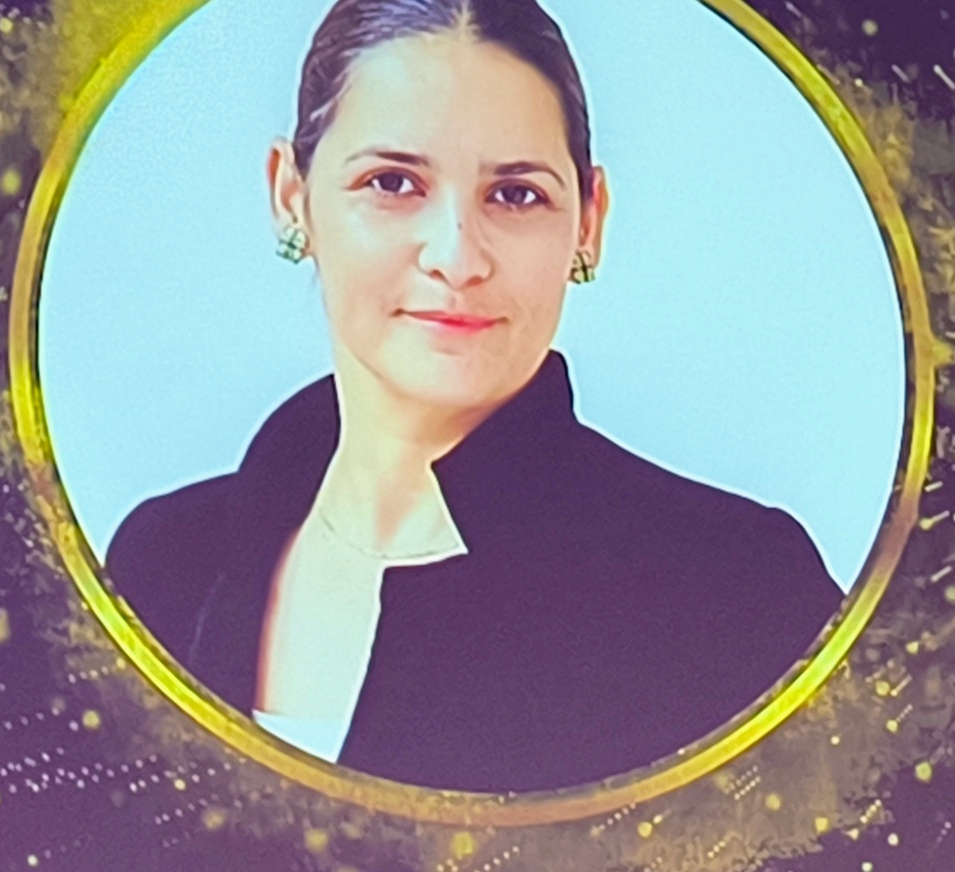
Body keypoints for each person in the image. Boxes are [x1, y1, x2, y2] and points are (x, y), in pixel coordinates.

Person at [106, 0, 851, 796]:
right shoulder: (162, 563)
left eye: (516, 194)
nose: (458, 257)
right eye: (393, 183)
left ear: (589, 221)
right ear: (292, 196)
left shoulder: (740, 592)